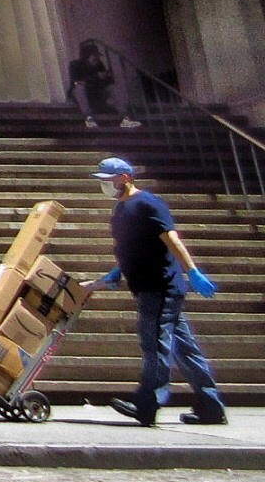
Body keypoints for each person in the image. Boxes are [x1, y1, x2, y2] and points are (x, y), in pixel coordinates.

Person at [81, 157, 226, 426]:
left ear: (125, 177)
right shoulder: (120, 211)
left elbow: (171, 239)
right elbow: (130, 250)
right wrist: (113, 275)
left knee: (155, 345)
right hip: (149, 286)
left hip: (160, 287)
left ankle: (146, 403)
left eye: (108, 180)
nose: (105, 186)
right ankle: (211, 405)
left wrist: (192, 271)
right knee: (185, 350)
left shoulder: (148, 203)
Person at [67, 41, 140, 128]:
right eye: (94, 57)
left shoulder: (99, 65)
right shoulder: (75, 65)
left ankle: (125, 117)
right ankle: (88, 118)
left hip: (96, 94)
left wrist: (106, 77)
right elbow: (76, 82)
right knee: (79, 88)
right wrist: (96, 77)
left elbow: (106, 83)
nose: (97, 59)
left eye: (98, 56)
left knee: (112, 87)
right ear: (87, 57)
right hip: (82, 96)